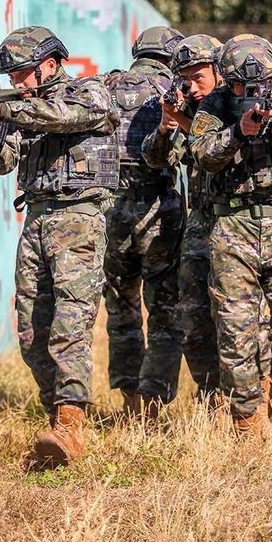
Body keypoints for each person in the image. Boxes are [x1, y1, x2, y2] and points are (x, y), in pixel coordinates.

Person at [0, 26, 119, 467]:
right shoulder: (19, 108)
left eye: (25, 74)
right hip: (37, 219)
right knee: (32, 330)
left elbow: (60, 117)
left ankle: (70, 424)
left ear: (51, 63)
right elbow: (1, 164)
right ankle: (55, 421)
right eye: (12, 78)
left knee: (70, 324)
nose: (18, 84)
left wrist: (3, 110)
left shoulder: (90, 93)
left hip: (78, 221)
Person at [188, 34, 272, 435]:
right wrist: (238, 132)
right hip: (232, 227)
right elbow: (203, 153)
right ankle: (248, 425)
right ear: (228, 81)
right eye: (242, 86)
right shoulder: (213, 107)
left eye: (259, 82)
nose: (251, 91)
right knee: (236, 333)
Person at [142, 35, 272, 406]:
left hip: (241, 221)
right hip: (200, 222)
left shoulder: (238, 106)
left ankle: (258, 394)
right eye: (184, 78)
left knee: (245, 317)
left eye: (198, 76)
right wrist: (169, 125)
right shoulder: (189, 112)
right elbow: (157, 158)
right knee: (194, 318)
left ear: (219, 71)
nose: (190, 85)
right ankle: (212, 395)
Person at [103, 25, 186, 418]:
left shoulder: (105, 86)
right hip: (158, 210)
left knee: (122, 308)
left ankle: (129, 400)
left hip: (108, 211)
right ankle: (153, 405)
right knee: (165, 310)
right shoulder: (176, 92)